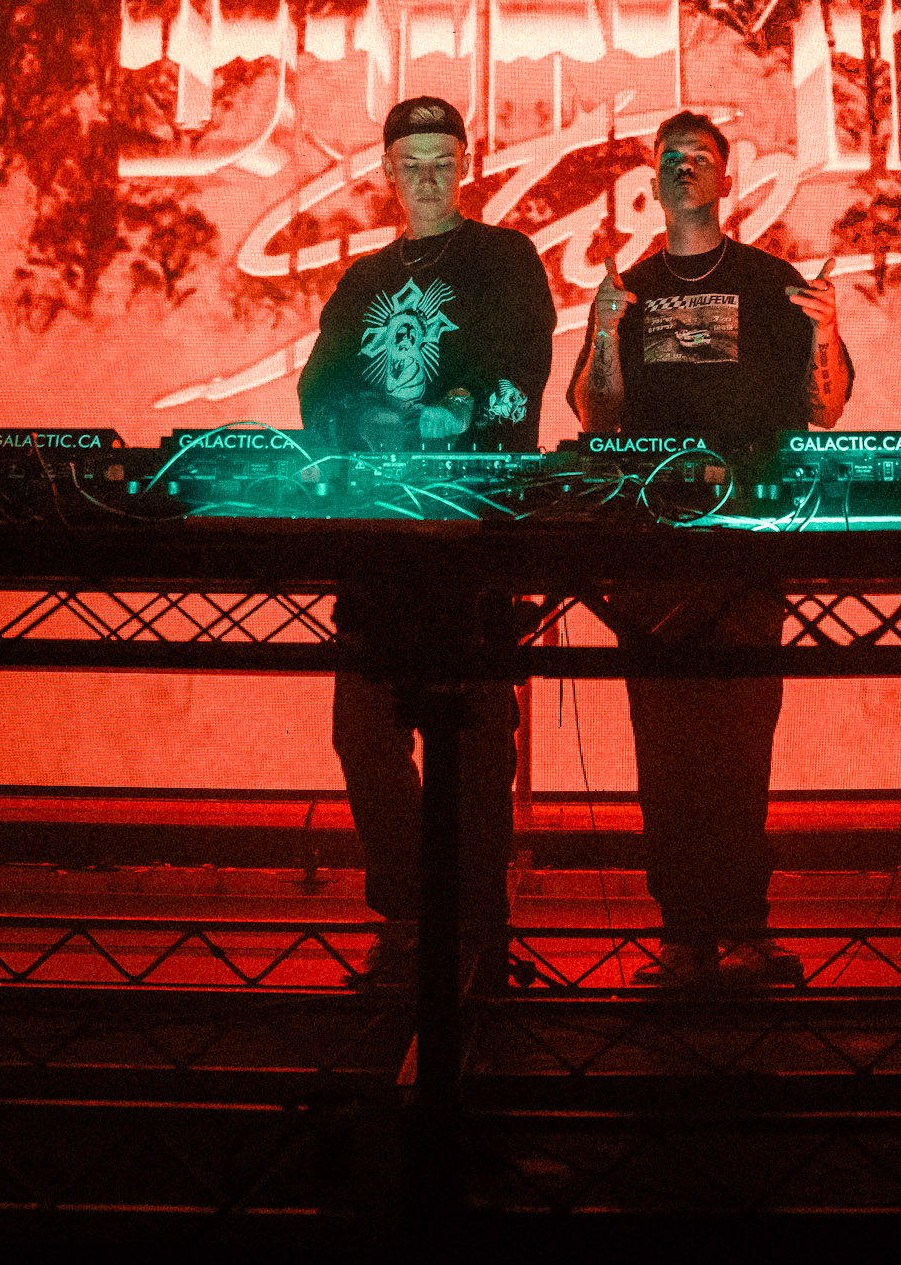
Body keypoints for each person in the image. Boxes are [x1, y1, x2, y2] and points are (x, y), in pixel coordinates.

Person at [569, 109, 855, 987]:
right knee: (664, 745)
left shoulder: (772, 284)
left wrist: (827, 332)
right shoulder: (627, 290)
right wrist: (605, 332)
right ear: (652, 182)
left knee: (739, 739)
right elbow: (597, 419)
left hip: (746, 544)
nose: (685, 166)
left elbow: (826, 410)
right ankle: (684, 935)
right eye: (671, 157)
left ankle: (743, 927)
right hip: (651, 545)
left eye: (701, 156)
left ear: (728, 180)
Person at [297, 95, 556, 987]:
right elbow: (317, 390)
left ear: (467, 166)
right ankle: (411, 918)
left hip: (471, 534)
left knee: (477, 742)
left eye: (443, 161)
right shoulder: (363, 279)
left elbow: (524, 374)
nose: (428, 178)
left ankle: (478, 932)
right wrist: (360, 432)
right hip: (376, 542)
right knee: (364, 734)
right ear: (386, 174)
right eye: (412, 164)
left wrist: (461, 412)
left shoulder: (505, 258)